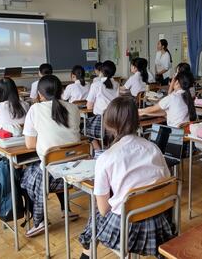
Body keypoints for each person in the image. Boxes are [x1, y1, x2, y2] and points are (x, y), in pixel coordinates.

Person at [78, 96, 173, 259]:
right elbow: (166, 182)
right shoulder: (153, 148)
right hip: (160, 223)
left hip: (128, 229)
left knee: (97, 212)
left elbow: (104, 210)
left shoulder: (106, 157)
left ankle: (86, 253)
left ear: (109, 123)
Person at [21, 75, 81, 237]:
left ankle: (38, 219)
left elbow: (30, 145)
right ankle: (65, 210)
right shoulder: (74, 108)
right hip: (75, 172)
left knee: (26, 174)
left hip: (52, 175)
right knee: (56, 162)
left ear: (40, 94)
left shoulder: (35, 109)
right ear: (62, 91)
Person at [86, 60, 119, 149]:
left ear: (102, 71)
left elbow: (89, 106)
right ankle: (109, 146)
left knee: (85, 128)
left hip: (101, 121)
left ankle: (98, 151)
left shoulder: (96, 85)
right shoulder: (116, 84)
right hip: (115, 119)